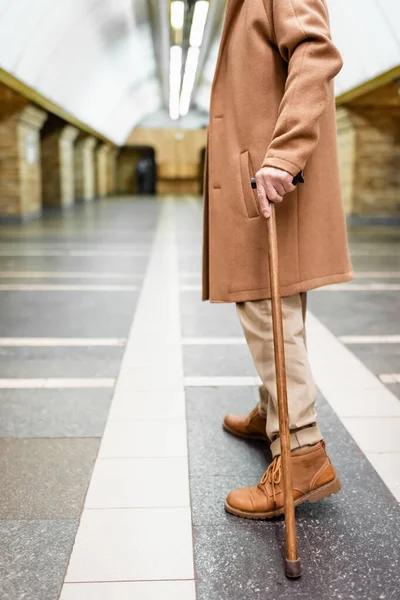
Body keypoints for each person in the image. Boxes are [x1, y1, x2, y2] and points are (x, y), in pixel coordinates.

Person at [202, 0, 353, 519]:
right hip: (261, 175)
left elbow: (315, 52)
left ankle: (302, 452)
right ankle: (274, 410)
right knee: (276, 299)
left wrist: (284, 154)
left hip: (269, 176)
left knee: (267, 306)